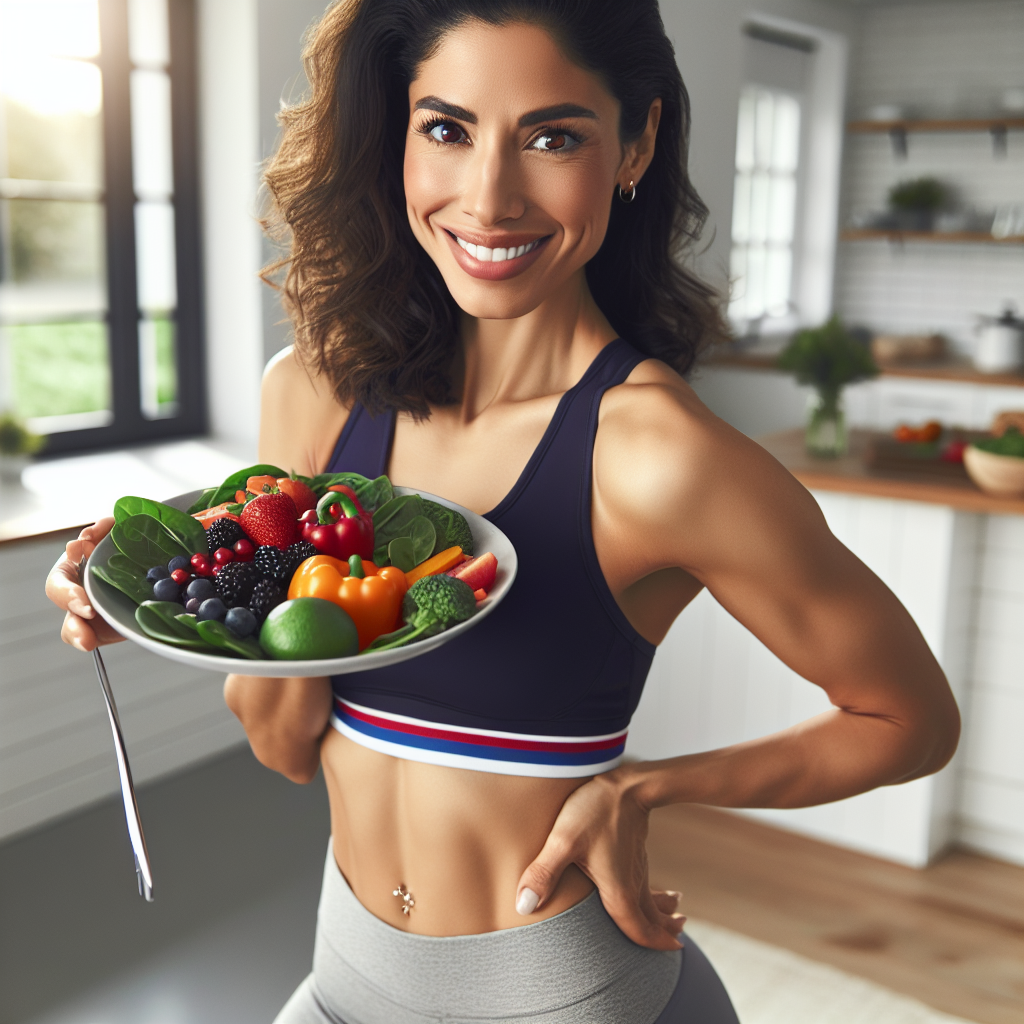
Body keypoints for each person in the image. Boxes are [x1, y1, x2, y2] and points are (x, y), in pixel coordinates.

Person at [47, 1, 961, 1021]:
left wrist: (644, 788)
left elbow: (909, 719)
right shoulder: (312, 395)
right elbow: (285, 746)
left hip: (558, 989)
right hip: (345, 969)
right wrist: (154, 593)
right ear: (393, 133)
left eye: (552, 136)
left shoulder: (660, 454)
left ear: (636, 143)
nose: (489, 197)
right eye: (447, 128)